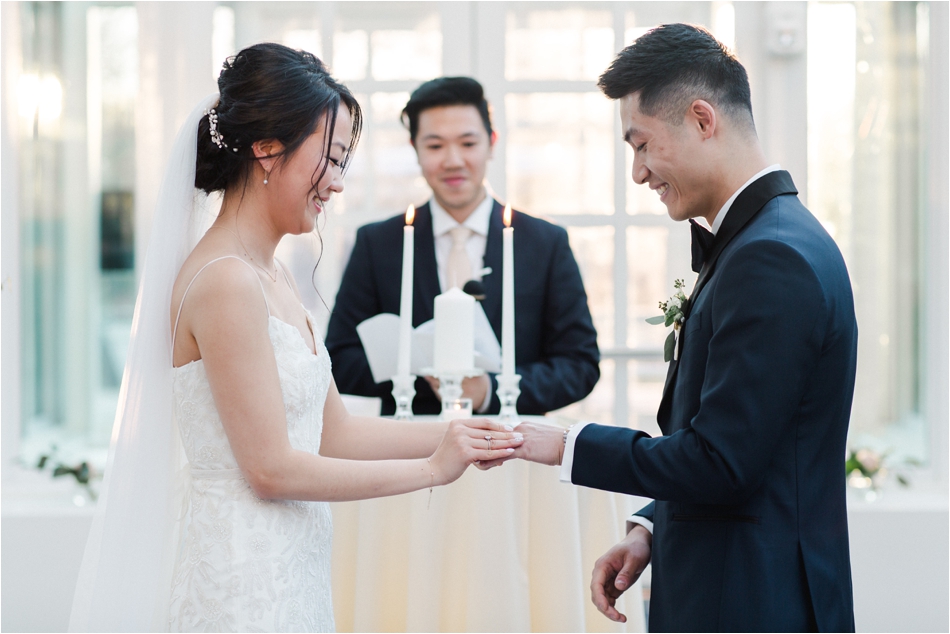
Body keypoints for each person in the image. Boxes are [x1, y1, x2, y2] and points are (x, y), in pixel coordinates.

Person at [69, 44, 522, 633]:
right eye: (329, 159)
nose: (335, 184)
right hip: (241, 586)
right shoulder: (226, 280)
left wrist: (455, 433)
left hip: (294, 571)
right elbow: (272, 471)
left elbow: (335, 432)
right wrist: (433, 470)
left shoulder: (273, 273)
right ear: (266, 148)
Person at [506, 24, 858, 632]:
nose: (639, 173)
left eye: (641, 145)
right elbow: (745, 442)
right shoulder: (770, 239)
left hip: (751, 603)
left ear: (701, 119)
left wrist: (569, 444)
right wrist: (650, 524)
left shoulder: (770, 258)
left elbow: (721, 463)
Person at [326, 76, 600, 416]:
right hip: (408, 449)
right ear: (415, 149)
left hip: (512, 446)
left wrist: (491, 389)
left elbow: (580, 364)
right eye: (436, 146)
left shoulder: (545, 243)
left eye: (468, 143)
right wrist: (419, 369)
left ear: (492, 143)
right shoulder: (378, 244)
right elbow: (339, 357)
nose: (453, 160)